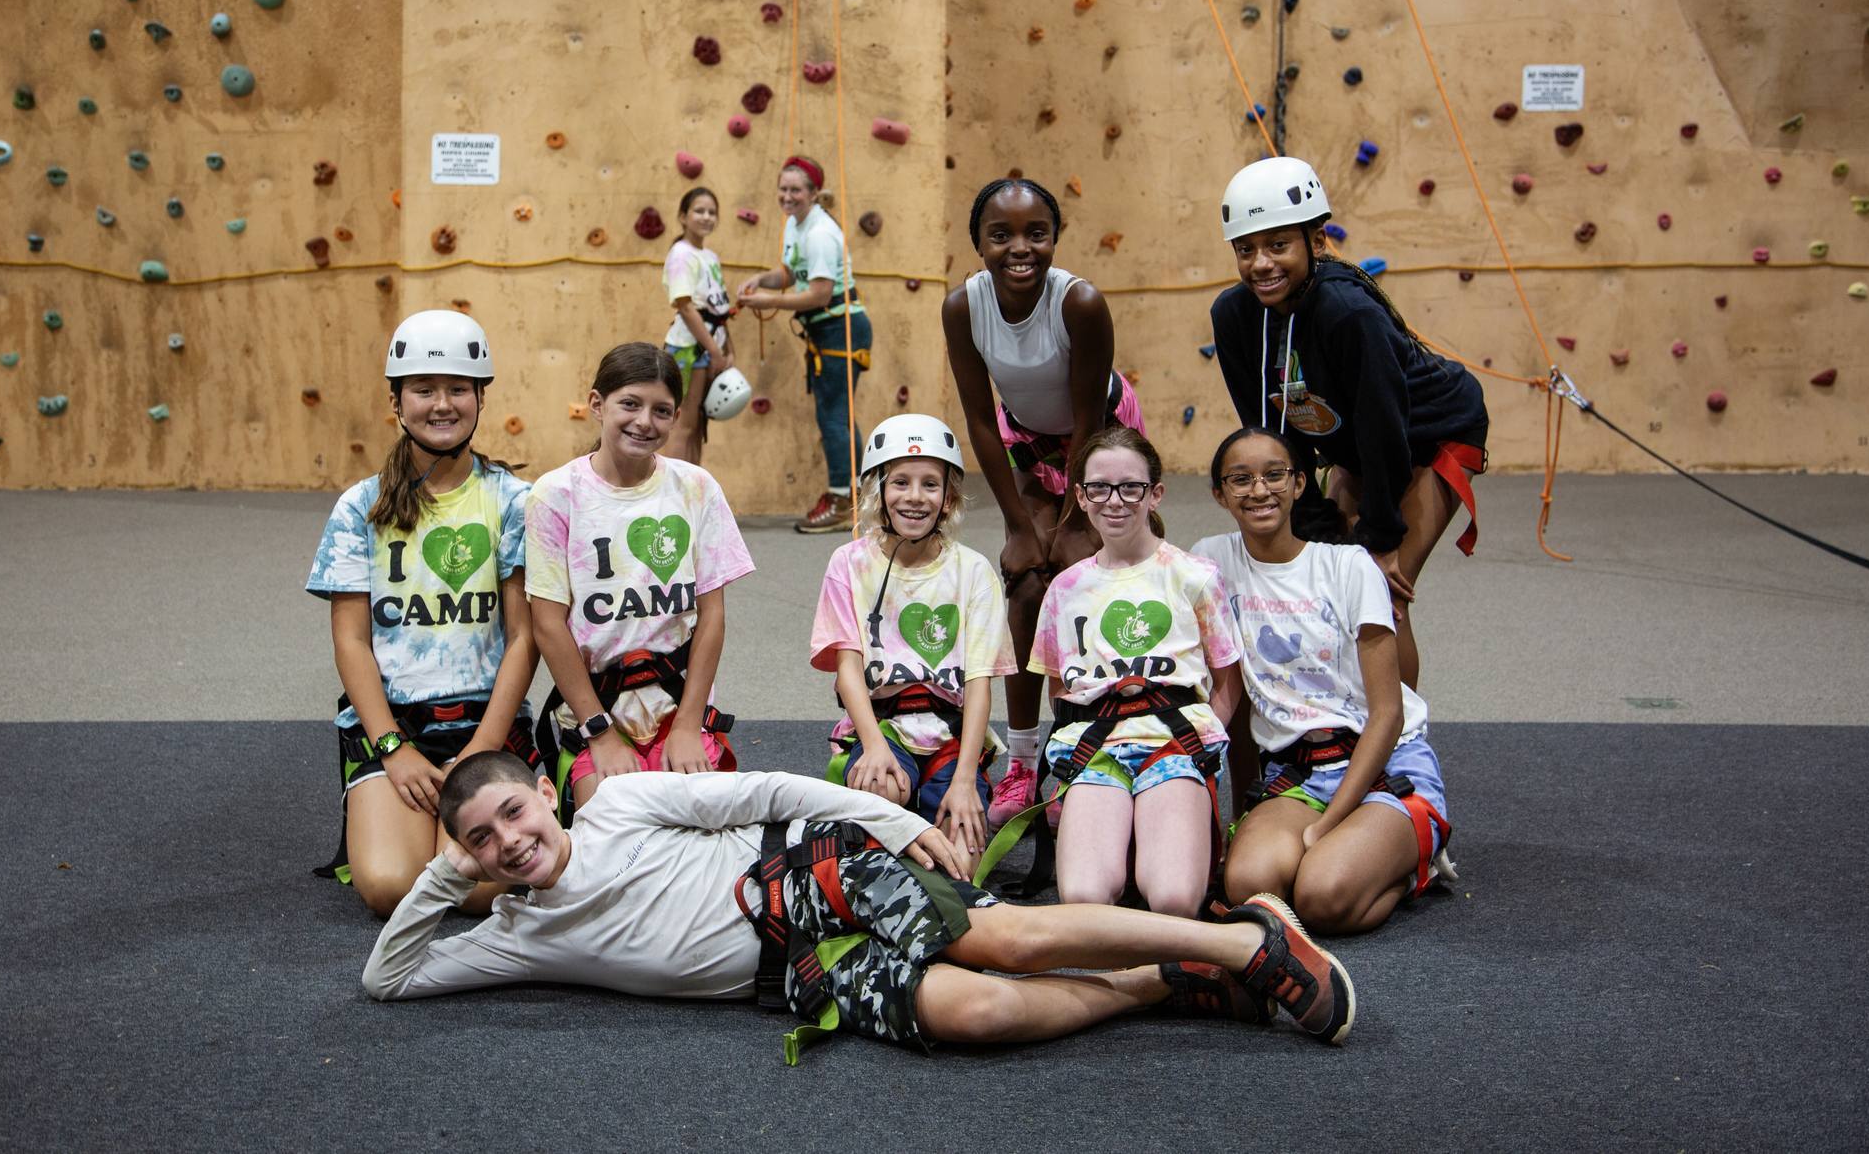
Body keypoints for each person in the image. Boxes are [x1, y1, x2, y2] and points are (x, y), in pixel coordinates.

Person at [361, 751, 1358, 1056]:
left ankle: (1238, 944)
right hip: (783, 974)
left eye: (511, 814)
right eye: (481, 840)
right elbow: (388, 977)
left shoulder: (617, 802)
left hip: (805, 872)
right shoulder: (515, 932)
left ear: (542, 790)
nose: (509, 843)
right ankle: (1157, 983)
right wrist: (448, 879)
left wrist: (880, 825)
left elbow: (764, 793)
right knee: (973, 1012)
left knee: (1003, 941)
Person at [1210, 155, 1489, 691]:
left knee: (1375, 593)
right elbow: (1265, 427)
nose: (1261, 263)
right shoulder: (1235, 316)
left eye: (1278, 245)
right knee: (1326, 583)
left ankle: (1399, 749)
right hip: (1354, 443)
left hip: (1431, 434)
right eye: (1246, 249)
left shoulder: (1349, 312)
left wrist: (1381, 537)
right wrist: (1311, 516)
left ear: (1314, 243)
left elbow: (1384, 427)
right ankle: (1337, 733)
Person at [306, 309, 537, 917]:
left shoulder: (514, 501)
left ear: (480, 398)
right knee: (388, 887)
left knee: (486, 887)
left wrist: (484, 749)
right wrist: (392, 746)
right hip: (394, 725)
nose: (442, 404)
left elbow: (523, 638)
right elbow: (351, 641)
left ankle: (459, 821)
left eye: (458, 389)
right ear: (396, 400)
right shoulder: (359, 507)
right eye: (424, 390)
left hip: (486, 721)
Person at [942, 176, 1145, 829]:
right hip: (1024, 441)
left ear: (1056, 237)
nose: (1019, 248)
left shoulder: (1079, 302)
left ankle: (1106, 733)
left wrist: (1073, 517)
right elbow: (979, 418)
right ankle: (1025, 758)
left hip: (1101, 436)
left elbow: (1089, 414)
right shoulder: (962, 306)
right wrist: (1017, 523)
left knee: (1086, 570)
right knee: (1026, 580)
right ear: (978, 242)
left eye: (1037, 232)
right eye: (1000, 234)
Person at [1196, 427, 1455, 933]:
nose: (1259, 490)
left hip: (1383, 764)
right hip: (1295, 773)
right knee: (1249, 884)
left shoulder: (1347, 566)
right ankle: (1348, 853)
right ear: (1219, 494)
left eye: (1275, 475)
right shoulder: (1211, 561)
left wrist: (1326, 826)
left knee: (1322, 897)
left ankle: (1414, 863)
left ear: (1298, 484)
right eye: (1241, 479)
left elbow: (1388, 714)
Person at [524, 342, 754, 811]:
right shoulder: (556, 495)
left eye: (661, 410)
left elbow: (711, 616)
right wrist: (599, 734)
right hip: (598, 710)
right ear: (596, 404)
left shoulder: (696, 488)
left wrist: (689, 724)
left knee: (708, 833)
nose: (644, 421)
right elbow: (548, 625)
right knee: (615, 841)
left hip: (677, 705)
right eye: (630, 404)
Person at [1025, 427, 1245, 918]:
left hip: (1172, 743)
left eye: (1131, 487)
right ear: (1080, 497)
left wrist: (1201, 748)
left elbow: (1228, 679)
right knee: (1082, 898)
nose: (1115, 501)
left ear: (1155, 494)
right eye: (1099, 488)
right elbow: (1059, 688)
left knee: (1171, 898)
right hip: (1097, 747)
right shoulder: (1064, 589)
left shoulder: (1194, 576)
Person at [811, 414, 1010, 859]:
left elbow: (979, 685)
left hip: (950, 735)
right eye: (900, 482)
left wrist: (963, 782)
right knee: (880, 794)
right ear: (877, 488)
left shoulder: (973, 571)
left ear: (949, 496)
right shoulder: (849, 563)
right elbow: (848, 672)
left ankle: (940, 798)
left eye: (930, 485)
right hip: (883, 726)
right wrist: (875, 747)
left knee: (961, 862)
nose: (915, 497)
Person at [735, 155, 870, 534]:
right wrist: (762, 280)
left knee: (835, 417)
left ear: (813, 194)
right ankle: (852, 495)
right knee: (834, 414)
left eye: (796, 190)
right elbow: (791, 274)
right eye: (783, 189)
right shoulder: (796, 226)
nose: (788, 196)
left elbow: (820, 293)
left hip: (840, 326)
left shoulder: (820, 233)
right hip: (825, 330)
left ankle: (846, 499)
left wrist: (770, 302)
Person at [660, 186, 734, 466]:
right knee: (684, 424)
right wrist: (714, 350)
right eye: (699, 211)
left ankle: (695, 495)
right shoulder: (681, 254)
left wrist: (728, 348)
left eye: (712, 212)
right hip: (688, 347)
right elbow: (686, 306)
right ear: (683, 216)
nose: (706, 217)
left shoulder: (710, 256)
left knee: (698, 428)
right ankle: (676, 498)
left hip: (709, 345)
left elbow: (720, 308)